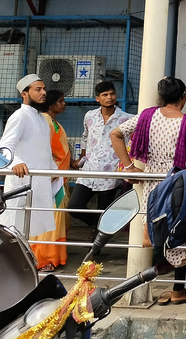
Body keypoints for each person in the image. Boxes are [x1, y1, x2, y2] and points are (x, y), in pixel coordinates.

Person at [111, 77, 186, 305]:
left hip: (153, 184)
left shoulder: (146, 116)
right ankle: (179, 290)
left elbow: (116, 134)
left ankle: (154, 280)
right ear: (183, 98)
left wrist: (129, 166)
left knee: (155, 229)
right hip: (181, 183)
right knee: (181, 233)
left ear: (160, 97)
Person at [68, 81, 133, 232]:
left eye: (112, 94)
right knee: (74, 207)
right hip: (89, 171)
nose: (109, 97)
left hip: (110, 173)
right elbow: (85, 138)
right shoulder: (89, 116)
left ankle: (96, 248)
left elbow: (131, 145)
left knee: (103, 210)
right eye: (105, 95)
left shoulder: (127, 118)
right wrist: (81, 158)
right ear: (98, 98)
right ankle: (100, 225)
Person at [0, 74, 57, 240]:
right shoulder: (20, 116)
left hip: (38, 183)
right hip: (22, 183)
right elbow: (3, 148)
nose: (44, 92)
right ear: (24, 94)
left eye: (44, 88)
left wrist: (53, 170)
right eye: (38, 89)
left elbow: (42, 149)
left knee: (27, 231)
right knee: (13, 231)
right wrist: (16, 163)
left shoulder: (40, 118)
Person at [29, 90, 71, 272]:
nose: (64, 104)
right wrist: (51, 171)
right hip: (51, 178)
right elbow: (45, 150)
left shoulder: (52, 122)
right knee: (49, 219)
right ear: (51, 104)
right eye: (60, 101)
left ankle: (53, 256)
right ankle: (44, 258)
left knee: (56, 219)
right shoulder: (45, 121)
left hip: (58, 178)